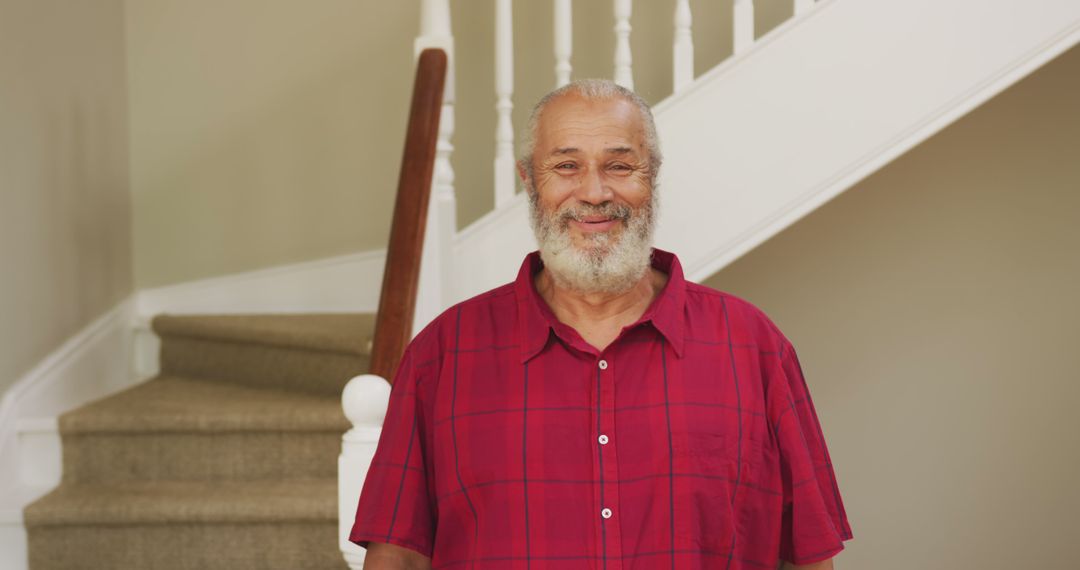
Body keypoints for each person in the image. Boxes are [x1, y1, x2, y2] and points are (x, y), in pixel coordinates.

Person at [350, 79, 852, 570]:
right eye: (566, 166)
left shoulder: (754, 347)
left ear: (651, 176)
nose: (593, 191)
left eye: (619, 165)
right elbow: (397, 557)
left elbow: (807, 554)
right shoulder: (442, 355)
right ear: (530, 180)